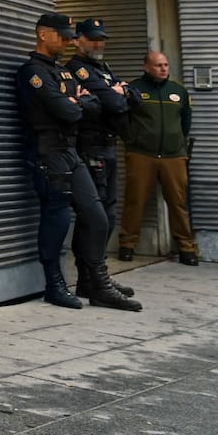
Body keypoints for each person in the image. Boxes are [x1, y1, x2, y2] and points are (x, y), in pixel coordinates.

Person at [16, 13, 141, 312]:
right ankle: (55, 285)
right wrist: (79, 102)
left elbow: (93, 107)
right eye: (62, 36)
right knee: (56, 220)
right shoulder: (32, 72)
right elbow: (71, 111)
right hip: (49, 154)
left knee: (98, 218)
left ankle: (96, 283)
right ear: (43, 34)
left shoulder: (62, 72)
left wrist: (78, 102)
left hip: (71, 152)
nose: (68, 41)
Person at [66, 18, 140, 299]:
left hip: (108, 146)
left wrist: (123, 93)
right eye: (93, 39)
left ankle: (95, 276)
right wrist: (118, 94)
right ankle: (92, 278)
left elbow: (135, 98)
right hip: (91, 147)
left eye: (101, 39)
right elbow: (114, 103)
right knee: (95, 217)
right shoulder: (78, 69)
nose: (98, 44)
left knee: (107, 214)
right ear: (78, 40)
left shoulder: (103, 69)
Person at [118, 51, 199, 266]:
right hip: (141, 154)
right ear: (146, 67)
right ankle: (127, 245)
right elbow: (122, 118)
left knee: (178, 203)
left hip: (174, 156)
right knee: (135, 200)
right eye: (158, 65)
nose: (163, 69)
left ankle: (186, 248)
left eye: (166, 65)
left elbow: (185, 122)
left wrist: (178, 143)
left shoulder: (178, 91)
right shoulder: (134, 89)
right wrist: (132, 140)